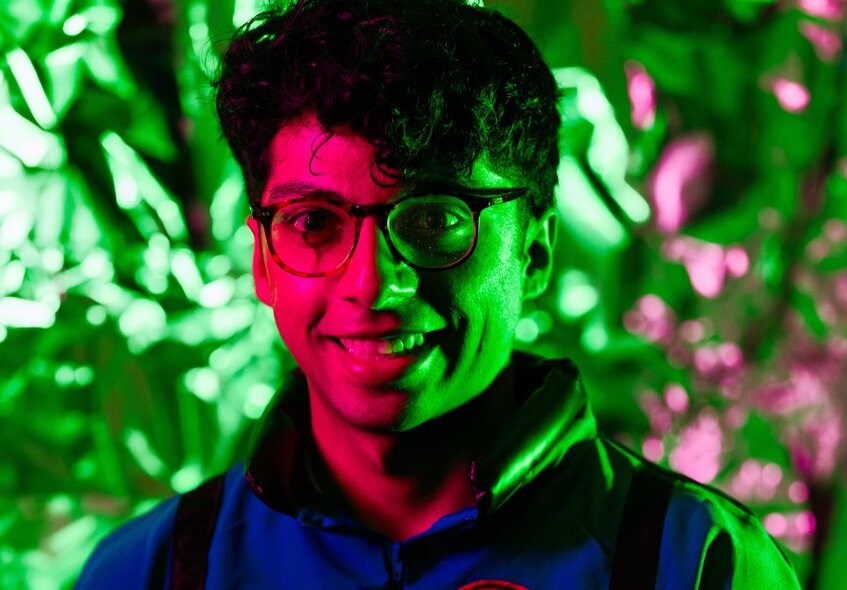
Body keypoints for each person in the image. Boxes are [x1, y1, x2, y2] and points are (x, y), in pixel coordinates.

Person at [76, 0, 801, 588]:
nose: (373, 282)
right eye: (314, 222)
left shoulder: (695, 565)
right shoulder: (151, 572)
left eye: (433, 221)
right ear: (263, 260)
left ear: (535, 251)